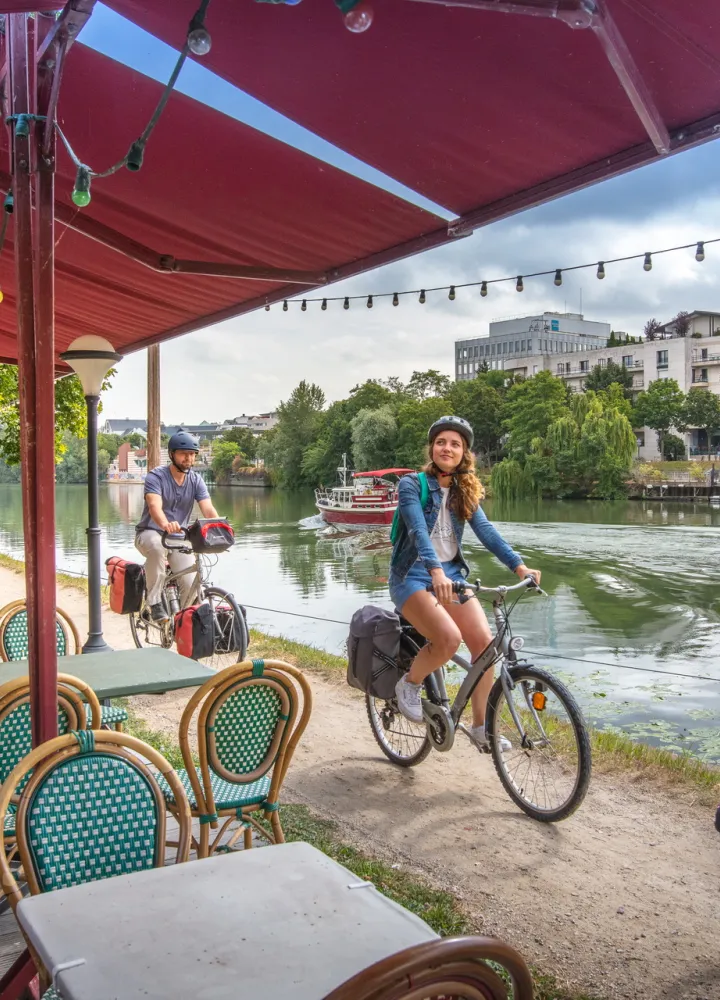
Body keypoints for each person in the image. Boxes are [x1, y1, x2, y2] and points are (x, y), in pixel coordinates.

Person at [389, 416, 541, 752]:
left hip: (453, 577)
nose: (447, 448)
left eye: (455, 444)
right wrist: (435, 571)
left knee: (485, 649)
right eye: (441, 441)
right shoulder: (412, 485)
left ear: (464, 453)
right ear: (432, 448)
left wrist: (520, 567)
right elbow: (416, 529)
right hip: (412, 575)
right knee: (447, 639)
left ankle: (478, 727)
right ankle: (409, 685)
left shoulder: (463, 490)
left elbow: (487, 532)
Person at [135, 429, 219, 621]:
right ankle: (154, 602)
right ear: (172, 454)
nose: (188, 458)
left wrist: (221, 529)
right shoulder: (156, 477)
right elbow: (154, 506)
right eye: (184, 454)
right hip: (149, 533)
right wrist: (165, 524)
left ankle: (182, 622)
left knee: (190, 584)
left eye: (192, 454)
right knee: (156, 547)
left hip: (178, 538)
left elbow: (208, 509)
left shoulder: (196, 480)